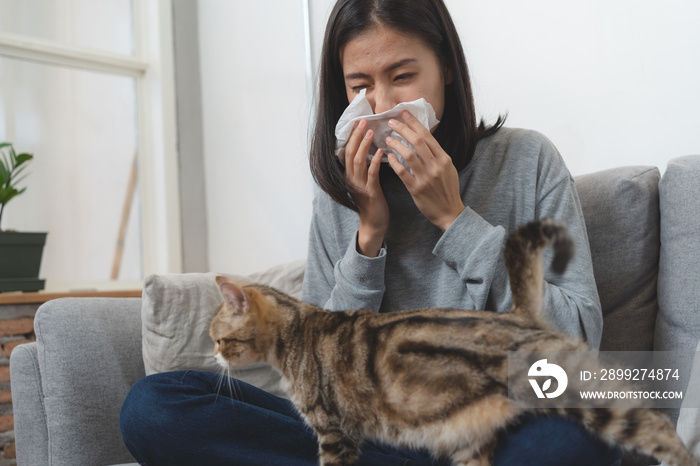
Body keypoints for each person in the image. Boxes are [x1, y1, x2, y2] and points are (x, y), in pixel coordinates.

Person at [120, 1, 621, 465]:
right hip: (371, 433)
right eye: (359, 86)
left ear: (446, 67)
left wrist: (456, 220)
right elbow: (312, 365)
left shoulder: (527, 161)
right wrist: (368, 235)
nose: (381, 104)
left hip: (493, 427)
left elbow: (576, 348)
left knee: (575, 437)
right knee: (155, 406)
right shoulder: (338, 196)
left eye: (402, 76)